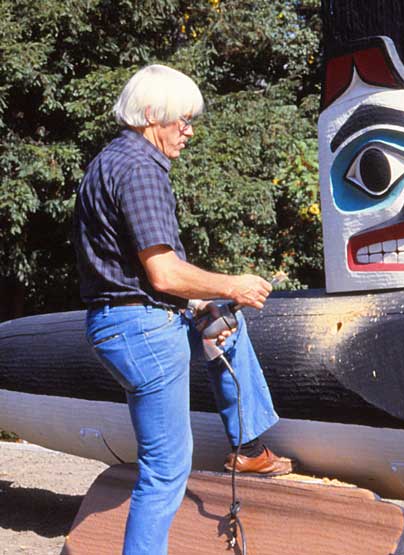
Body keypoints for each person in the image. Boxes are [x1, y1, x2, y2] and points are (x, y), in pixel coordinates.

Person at [74, 65, 294, 555]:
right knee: (166, 470)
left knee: (222, 325)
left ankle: (249, 447)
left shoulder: (106, 162)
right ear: (153, 115)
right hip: (144, 332)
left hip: (117, 326)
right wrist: (234, 283)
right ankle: (247, 446)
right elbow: (165, 274)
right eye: (183, 120)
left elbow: (130, 267)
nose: (189, 131)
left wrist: (203, 301)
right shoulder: (142, 169)